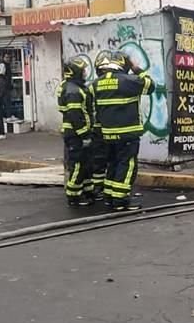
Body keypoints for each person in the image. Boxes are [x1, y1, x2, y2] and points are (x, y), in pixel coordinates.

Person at [92, 51, 154, 211]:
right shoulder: (128, 80)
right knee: (126, 165)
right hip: (127, 134)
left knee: (113, 163)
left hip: (107, 134)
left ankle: (109, 197)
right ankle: (120, 200)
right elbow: (150, 85)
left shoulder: (96, 83)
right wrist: (136, 68)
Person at [57, 56, 94, 207]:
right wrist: (84, 134)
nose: (85, 73)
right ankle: (73, 196)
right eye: (83, 70)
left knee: (85, 164)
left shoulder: (72, 86)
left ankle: (87, 191)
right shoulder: (73, 91)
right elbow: (76, 115)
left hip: (75, 132)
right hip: (76, 134)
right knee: (78, 164)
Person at [89, 50, 112, 200]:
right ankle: (103, 188)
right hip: (110, 128)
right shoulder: (118, 84)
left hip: (98, 128)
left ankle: (99, 188)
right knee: (107, 159)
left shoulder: (94, 85)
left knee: (99, 159)